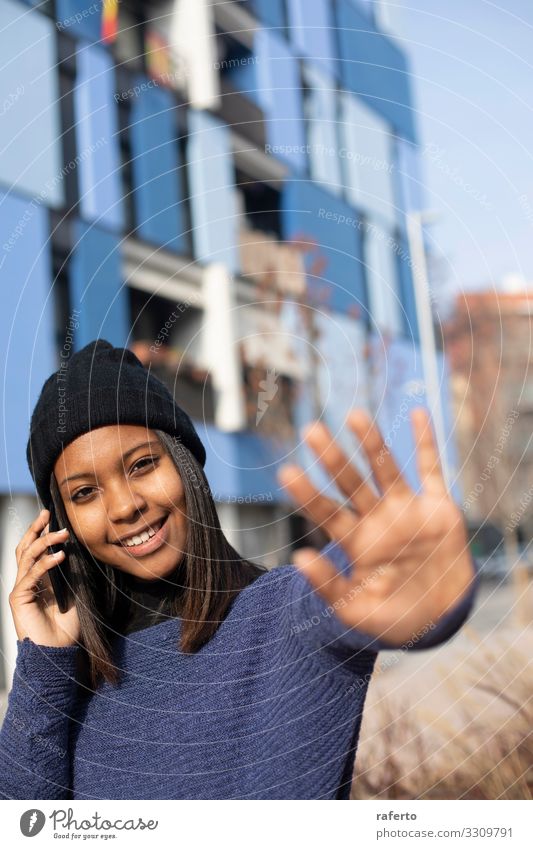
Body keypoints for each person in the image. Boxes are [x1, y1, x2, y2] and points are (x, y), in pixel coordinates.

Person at [0, 339, 478, 800]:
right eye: (84, 492)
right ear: (62, 524)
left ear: (186, 464)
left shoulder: (284, 614)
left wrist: (417, 586)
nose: (124, 506)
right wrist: (43, 663)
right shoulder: (67, 680)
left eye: (143, 465)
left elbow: (355, 592)